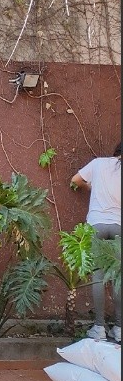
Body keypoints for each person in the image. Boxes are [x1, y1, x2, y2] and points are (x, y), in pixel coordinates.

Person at [71, 142, 121, 342]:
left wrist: (92, 187)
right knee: (118, 278)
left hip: (96, 224)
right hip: (119, 226)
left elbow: (76, 180)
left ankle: (99, 328)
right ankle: (119, 328)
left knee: (98, 277)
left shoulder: (99, 164)